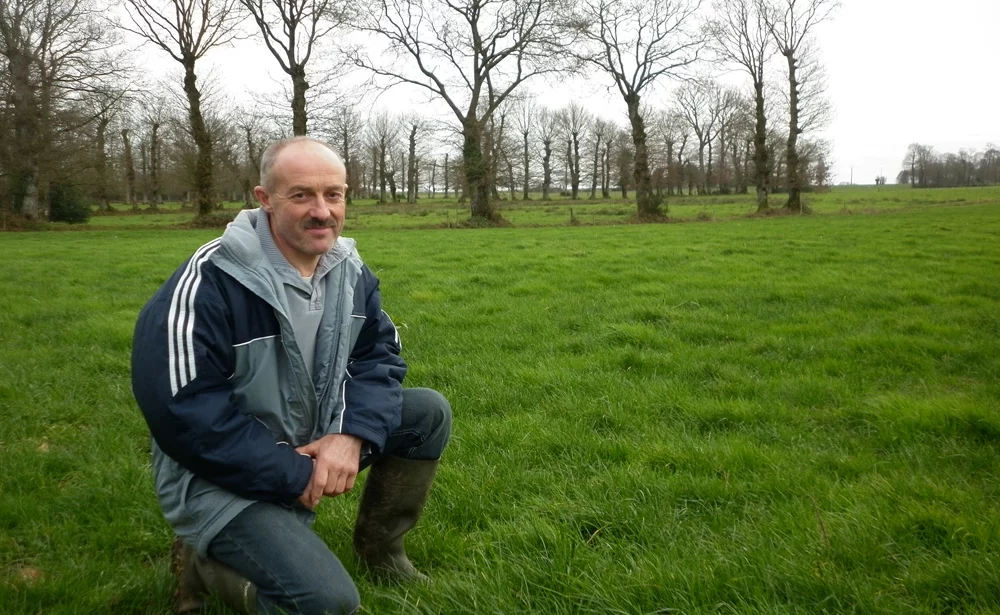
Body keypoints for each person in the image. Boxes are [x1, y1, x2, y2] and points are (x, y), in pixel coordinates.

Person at [131, 136, 452, 615]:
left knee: (426, 413)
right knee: (326, 603)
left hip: (310, 437)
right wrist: (295, 473)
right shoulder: (209, 281)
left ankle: (381, 553)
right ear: (264, 200)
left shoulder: (350, 270)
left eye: (334, 195)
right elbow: (185, 415)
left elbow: (378, 358)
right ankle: (201, 563)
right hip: (217, 476)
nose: (322, 212)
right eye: (301, 195)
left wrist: (349, 435)